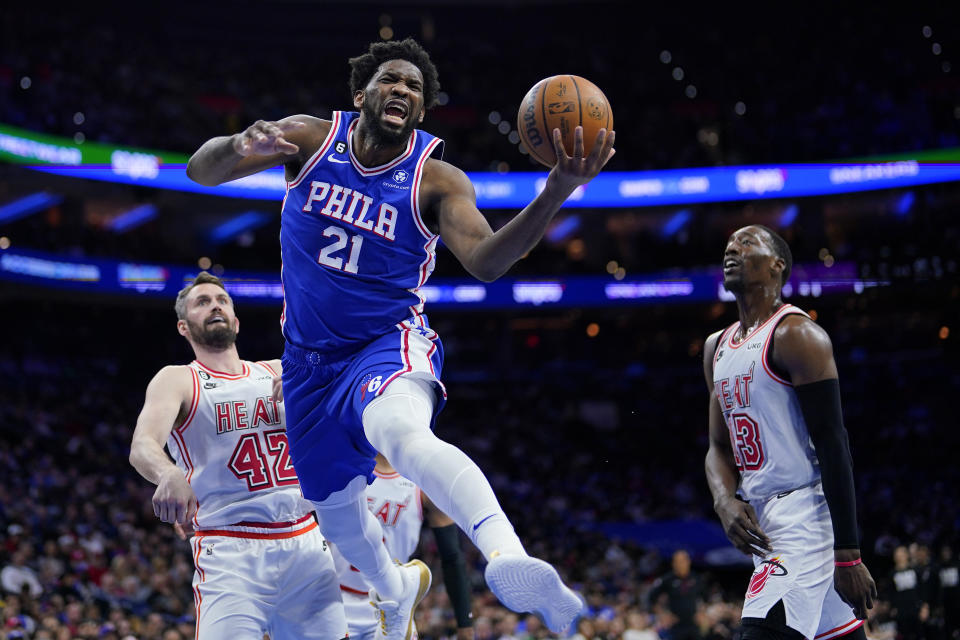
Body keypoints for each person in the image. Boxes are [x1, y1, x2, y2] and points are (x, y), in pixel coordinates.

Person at [186, 37, 613, 639]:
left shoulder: (437, 181)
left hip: (385, 342)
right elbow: (199, 171)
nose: (403, 91)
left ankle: (507, 553)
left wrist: (556, 190)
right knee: (333, 510)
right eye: (392, 80)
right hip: (308, 362)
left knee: (401, 432)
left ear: (422, 109)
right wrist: (235, 147)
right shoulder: (309, 139)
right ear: (362, 94)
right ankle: (395, 585)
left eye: (415, 88)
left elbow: (487, 263)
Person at [129, 272, 347, 639]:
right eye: (202, 302)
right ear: (184, 327)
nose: (214, 304)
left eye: (222, 300)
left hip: (305, 539)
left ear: (236, 320)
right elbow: (142, 445)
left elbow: (344, 415)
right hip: (231, 548)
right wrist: (168, 474)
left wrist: (314, 382)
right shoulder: (179, 379)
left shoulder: (279, 371)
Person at [702, 225, 877, 640]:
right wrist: (724, 500)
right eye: (729, 243)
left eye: (747, 243)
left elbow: (834, 444)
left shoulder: (797, 335)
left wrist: (848, 554)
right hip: (764, 520)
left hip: (805, 514)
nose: (732, 248)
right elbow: (717, 447)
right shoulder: (716, 347)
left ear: (778, 264)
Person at [329, 453, 474, 640]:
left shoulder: (423, 484)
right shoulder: (345, 466)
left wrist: (465, 622)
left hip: (390, 609)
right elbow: (452, 558)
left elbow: (452, 556)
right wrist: (465, 624)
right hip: (337, 597)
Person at [647, 550, 703, 640]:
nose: (681, 564)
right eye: (678, 561)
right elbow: (651, 597)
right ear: (673, 564)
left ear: (688, 562)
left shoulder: (696, 578)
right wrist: (663, 614)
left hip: (693, 624)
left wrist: (702, 612)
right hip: (675, 625)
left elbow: (705, 597)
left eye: (683, 561)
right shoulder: (667, 579)